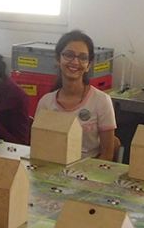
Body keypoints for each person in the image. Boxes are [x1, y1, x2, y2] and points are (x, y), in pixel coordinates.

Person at [35, 30, 117, 160]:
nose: (75, 62)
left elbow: (107, 154)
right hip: (52, 167)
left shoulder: (101, 101)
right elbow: (38, 147)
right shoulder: (46, 102)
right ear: (58, 59)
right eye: (69, 55)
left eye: (83, 58)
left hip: (89, 169)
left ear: (88, 65)